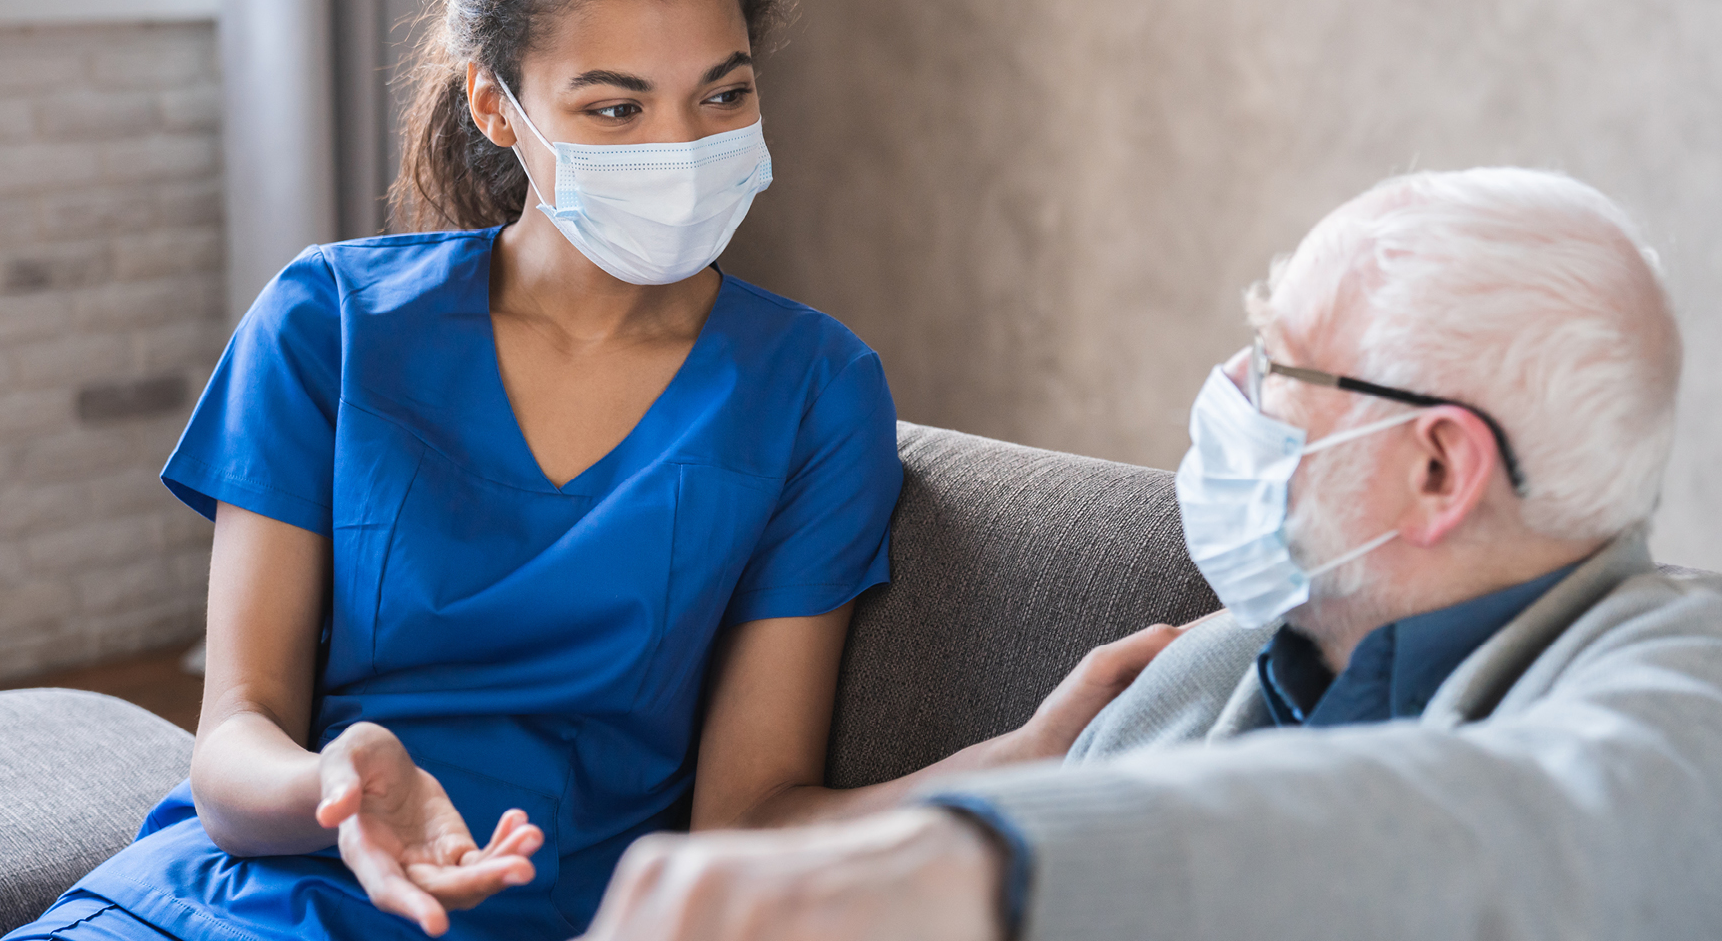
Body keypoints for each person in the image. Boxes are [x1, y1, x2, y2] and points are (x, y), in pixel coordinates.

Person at [0, 0, 1143, 940]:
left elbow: (749, 822)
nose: (683, 149)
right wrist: (336, 785)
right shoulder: (329, 321)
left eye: (724, 94)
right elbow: (234, 741)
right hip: (211, 901)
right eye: (615, 108)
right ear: (498, 108)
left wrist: (1023, 757)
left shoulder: (813, 391)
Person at [574, 167, 1722, 941]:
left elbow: (1549, 822)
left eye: (1285, 366)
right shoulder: (1208, 665)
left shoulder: (1679, 679)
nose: (1232, 393)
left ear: (1436, 470)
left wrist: (989, 865)